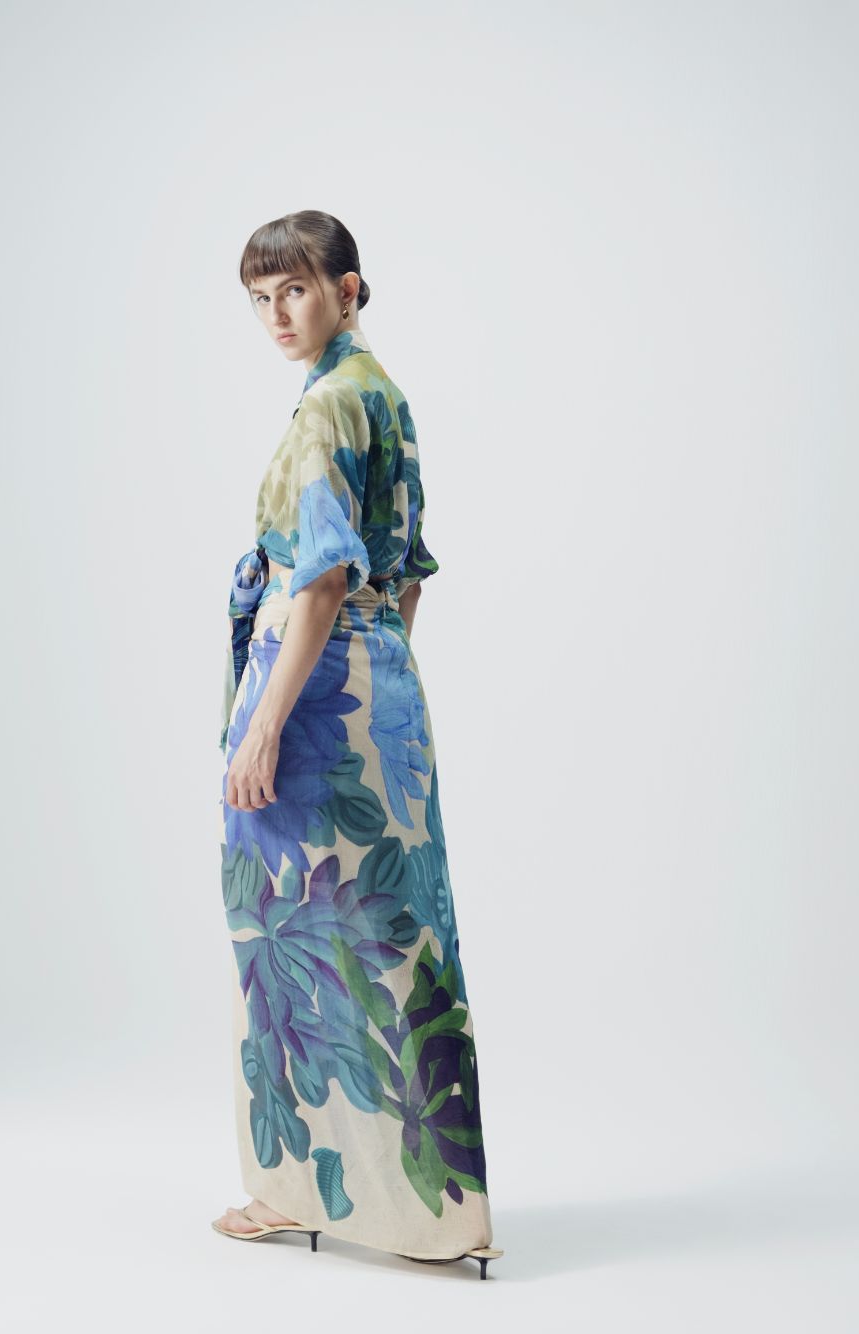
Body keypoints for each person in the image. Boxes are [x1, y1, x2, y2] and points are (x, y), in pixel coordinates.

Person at [212, 210, 499, 1268]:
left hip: (312, 690)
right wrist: (379, 679)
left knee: (284, 935)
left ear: (348, 286)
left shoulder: (332, 404)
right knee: (393, 934)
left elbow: (325, 579)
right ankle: (435, 1215)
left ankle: (296, 1191)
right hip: (379, 686)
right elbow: (404, 574)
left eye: (294, 289)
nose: (276, 314)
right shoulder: (383, 393)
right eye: (260, 297)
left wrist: (267, 727)